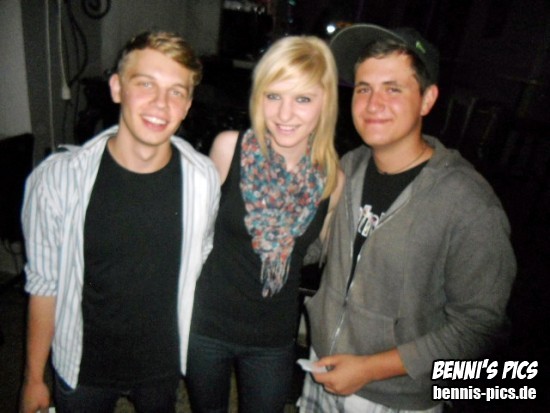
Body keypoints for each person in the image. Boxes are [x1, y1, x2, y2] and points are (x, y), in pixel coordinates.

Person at [299, 24, 516, 412]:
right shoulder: (348, 167)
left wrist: (370, 369)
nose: (373, 104)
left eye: (393, 89)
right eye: (363, 88)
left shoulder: (468, 203)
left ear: (427, 99)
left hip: (396, 397)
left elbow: (479, 327)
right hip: (323, 367)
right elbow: (316, 245)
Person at [19, 31, 220, 413]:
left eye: (176, 91)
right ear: (116, 88)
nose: (160, 103)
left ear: (187, 105)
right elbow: (44, 283)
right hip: (83, 365)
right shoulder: (58, 179)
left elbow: (200, 260)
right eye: (145, 84)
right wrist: (33, 378)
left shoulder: (202, 178)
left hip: (162, 365)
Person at [185, 35, 345, 413]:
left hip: (272, 336)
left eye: (302, 99)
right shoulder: (228, 148)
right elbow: (196, 234)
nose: (284, 114)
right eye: (274, 95)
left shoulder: (332, 179)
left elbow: (314, 255)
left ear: (325, 103)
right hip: (207, 324)